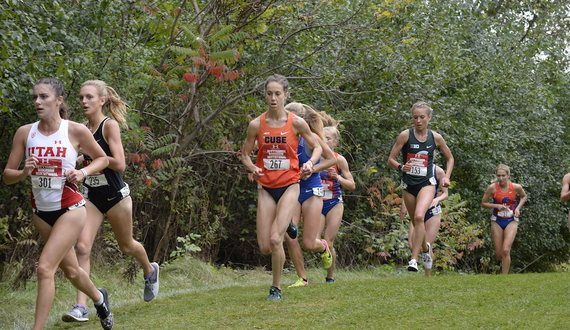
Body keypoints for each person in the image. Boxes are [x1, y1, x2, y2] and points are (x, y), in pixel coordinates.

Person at [3, 78, 113, 330]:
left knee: (44, 268)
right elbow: (7, 175)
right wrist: (22, 173)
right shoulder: (25, 132)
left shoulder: (74, 130)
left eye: (43, 97)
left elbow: (103, 159)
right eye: (35, 97)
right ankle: (99, 298)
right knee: (72, 271)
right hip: (41, 212)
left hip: (70, 209)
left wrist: (82, 173)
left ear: (59, 100)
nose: (37, 102)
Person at [61, 80, 159, 323]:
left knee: (126, 247)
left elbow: (120, 163)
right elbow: (76, 160)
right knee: (82, 247)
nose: (84, 101)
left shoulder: (109, 126)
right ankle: (80, 306)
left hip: (116, 197)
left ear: (102, 101)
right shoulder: (81, 128)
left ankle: (150, 270)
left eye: (89, 97)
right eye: (81, 97)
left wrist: (94, 157)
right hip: (92, 197)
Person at [241, 75, 322, 300]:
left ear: (286, 95)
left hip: (290, 185)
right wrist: (252, 169)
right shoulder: (256, 124)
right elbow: (245, 155)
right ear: (265, 95)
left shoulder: (296, 122)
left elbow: (316, 148)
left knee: (277, 240)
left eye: (278, 94)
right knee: (265, 246)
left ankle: (275, 287)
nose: (273, 98)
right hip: (266, 187)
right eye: (269, 94)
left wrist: (309, 163)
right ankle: (289, 226)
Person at [387, 101, 454, 272]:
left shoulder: (435, 137)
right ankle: (426, 249)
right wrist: (401, 167)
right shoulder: (405, 135)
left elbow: (450, 158)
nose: (418, 121)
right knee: (415, 220)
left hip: (427, 184)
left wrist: (446, 176)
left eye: (422, 117)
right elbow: (391, 160)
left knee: (418, 217)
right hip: (408, 185)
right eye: (415, 117)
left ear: (429, 118)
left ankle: (413, 260)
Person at [283, 103, 336, 288]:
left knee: (309, 243)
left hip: (312, 190)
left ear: (300, 121)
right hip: (291, 190)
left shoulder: (311, 138)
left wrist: (311, 169)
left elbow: (331, 159)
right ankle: (302, 278)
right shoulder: (282, 138)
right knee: (290, 236)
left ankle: (323, 247)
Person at [318, 117, 355, 283]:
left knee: (329, 240)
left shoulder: (339, 160)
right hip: (317, 203)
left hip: (334, 203)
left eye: (327, 139)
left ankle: (330, 277)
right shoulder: (314, 157)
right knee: (316, 241)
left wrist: (338, 178)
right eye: (321, 137)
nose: (324, 141)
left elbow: (352, 185)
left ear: (335, 142)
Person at [481, 164, 527, 274]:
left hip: (511, 220)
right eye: (498, 176)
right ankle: (504, 267)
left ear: (508, 175)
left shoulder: (516, 187)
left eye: (503, 176)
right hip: (497, 220)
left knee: (506, 250)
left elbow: (523, 196)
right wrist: (496, 206)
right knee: (499, 254)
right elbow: (483, 203)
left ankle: (504, 277)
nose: (501, 178)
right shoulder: (492, 188)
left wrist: (518, 208)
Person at [405, 165, 448, 277]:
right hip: (416, 212)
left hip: (432, 211)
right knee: (412, 245)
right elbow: (407, 189)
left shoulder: (438, 171)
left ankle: (427, 275)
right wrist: (404, 205)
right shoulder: (413, 168)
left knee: (428, 244)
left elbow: (445, 193)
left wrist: (437, 199)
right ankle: (421, 259)